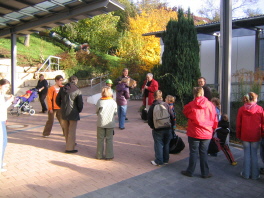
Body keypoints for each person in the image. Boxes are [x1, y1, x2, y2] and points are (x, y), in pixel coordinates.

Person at [181, 87, 218, 178]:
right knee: (204, 153)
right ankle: (205, 173)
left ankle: (190, 171)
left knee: (193, 152)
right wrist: (212, 129)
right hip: (207, 132)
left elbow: (185, 112)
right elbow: (215, 119)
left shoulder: (191, 104)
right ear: (203, 93)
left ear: (194, 94)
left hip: (194, 132)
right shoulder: (210, 105)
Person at [236, 92, 264, 180]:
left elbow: (238, 124)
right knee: (254, 155)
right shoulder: (260, 109)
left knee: (246, 154)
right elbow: (263, 124)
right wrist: (262, 134)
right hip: (256, 135)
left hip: (245, 135)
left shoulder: (241, 109)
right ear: (254, 99)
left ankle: (246, 174)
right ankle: (255, 175)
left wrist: (238, 134)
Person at [56, 76, 83, 153]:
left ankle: (68, 143)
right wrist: (78, 110)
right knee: (72, 130)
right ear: (76, 81)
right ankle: (69, 148)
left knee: (66, 129)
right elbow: (80, 104)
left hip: (64, 112)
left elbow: (57, 100)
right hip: (73, 112)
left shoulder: (62, 89)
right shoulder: (77, 90)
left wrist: (62, 107)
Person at [147, 90, 175, 166]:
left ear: (154, 96)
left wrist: (153, 126)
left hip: (157, 128)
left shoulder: (152, 106)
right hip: (167, 127)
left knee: (158, 144)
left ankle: (159, 160)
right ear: (161, 96)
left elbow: (149, 119)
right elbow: (172, 116)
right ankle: (166, 159)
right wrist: (172, 126)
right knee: (166, 144)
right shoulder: (166, 105)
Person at [96, 86, 117, 160]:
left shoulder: (100, 101)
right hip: (110, 123)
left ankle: (99, 155)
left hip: (101, 122)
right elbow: (115, 112)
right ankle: (109, 155)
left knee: (100, 139)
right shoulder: (113, 102)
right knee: (109, 139)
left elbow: (96, 111)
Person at [0, 79, 14, 172]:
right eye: (5, 86)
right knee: (2, 143)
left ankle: (1, 161)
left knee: (4, 141)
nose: (7, 88)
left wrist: (5, 119)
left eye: (8, 87)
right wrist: (10, 101)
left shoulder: (2, 94)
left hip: (2, 120)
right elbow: (2, 108)